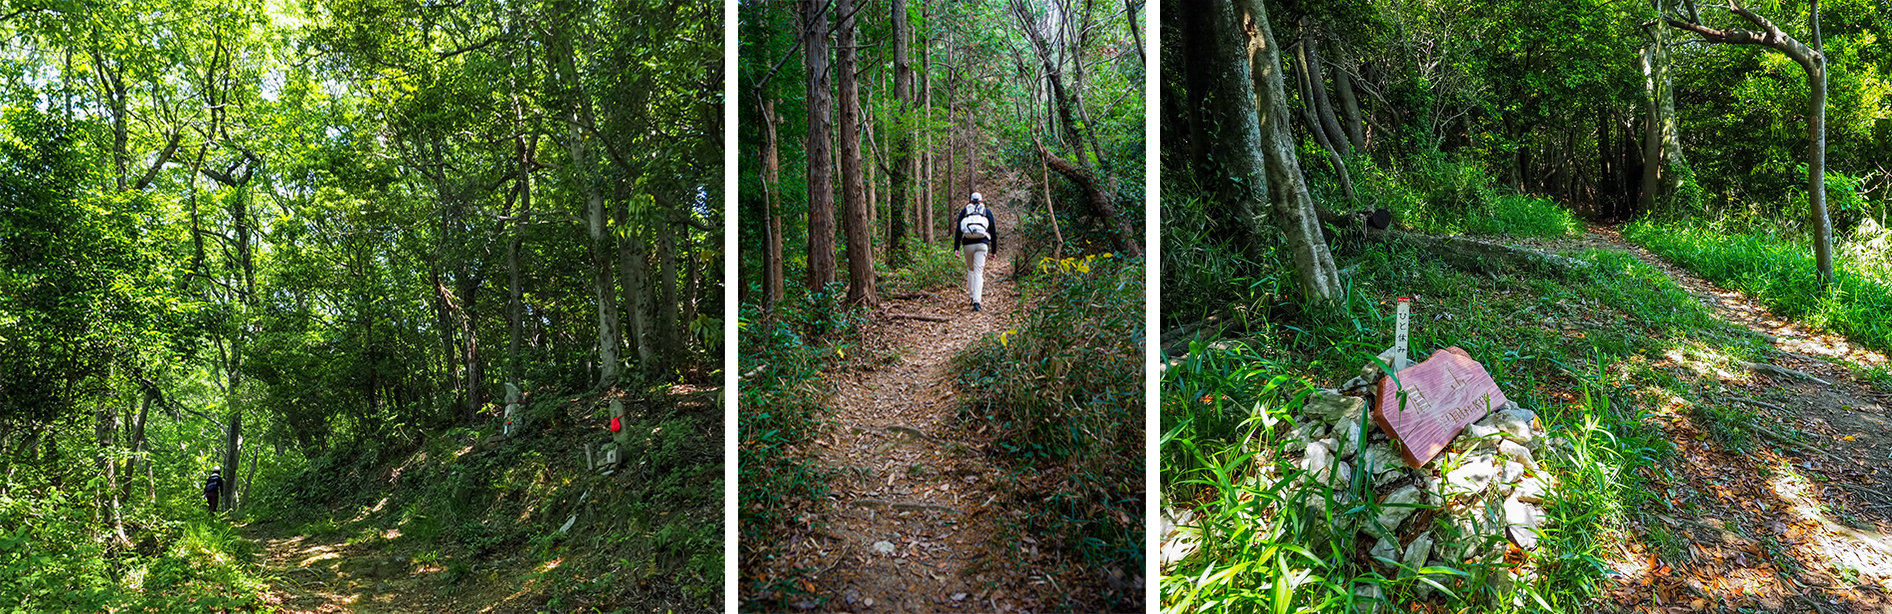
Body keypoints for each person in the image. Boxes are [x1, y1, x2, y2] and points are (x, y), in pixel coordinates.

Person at [953, 192, 998, 312]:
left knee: (970, 270)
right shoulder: (986, 212)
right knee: (979, 272)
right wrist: (994, 251)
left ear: (971, 201)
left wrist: (956, 248)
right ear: (982, 201)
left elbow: (958, 230)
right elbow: (993, 231)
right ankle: (977, 302)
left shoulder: (965, 211)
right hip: (982, 244)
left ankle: (972, 297)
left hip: (967, 244)